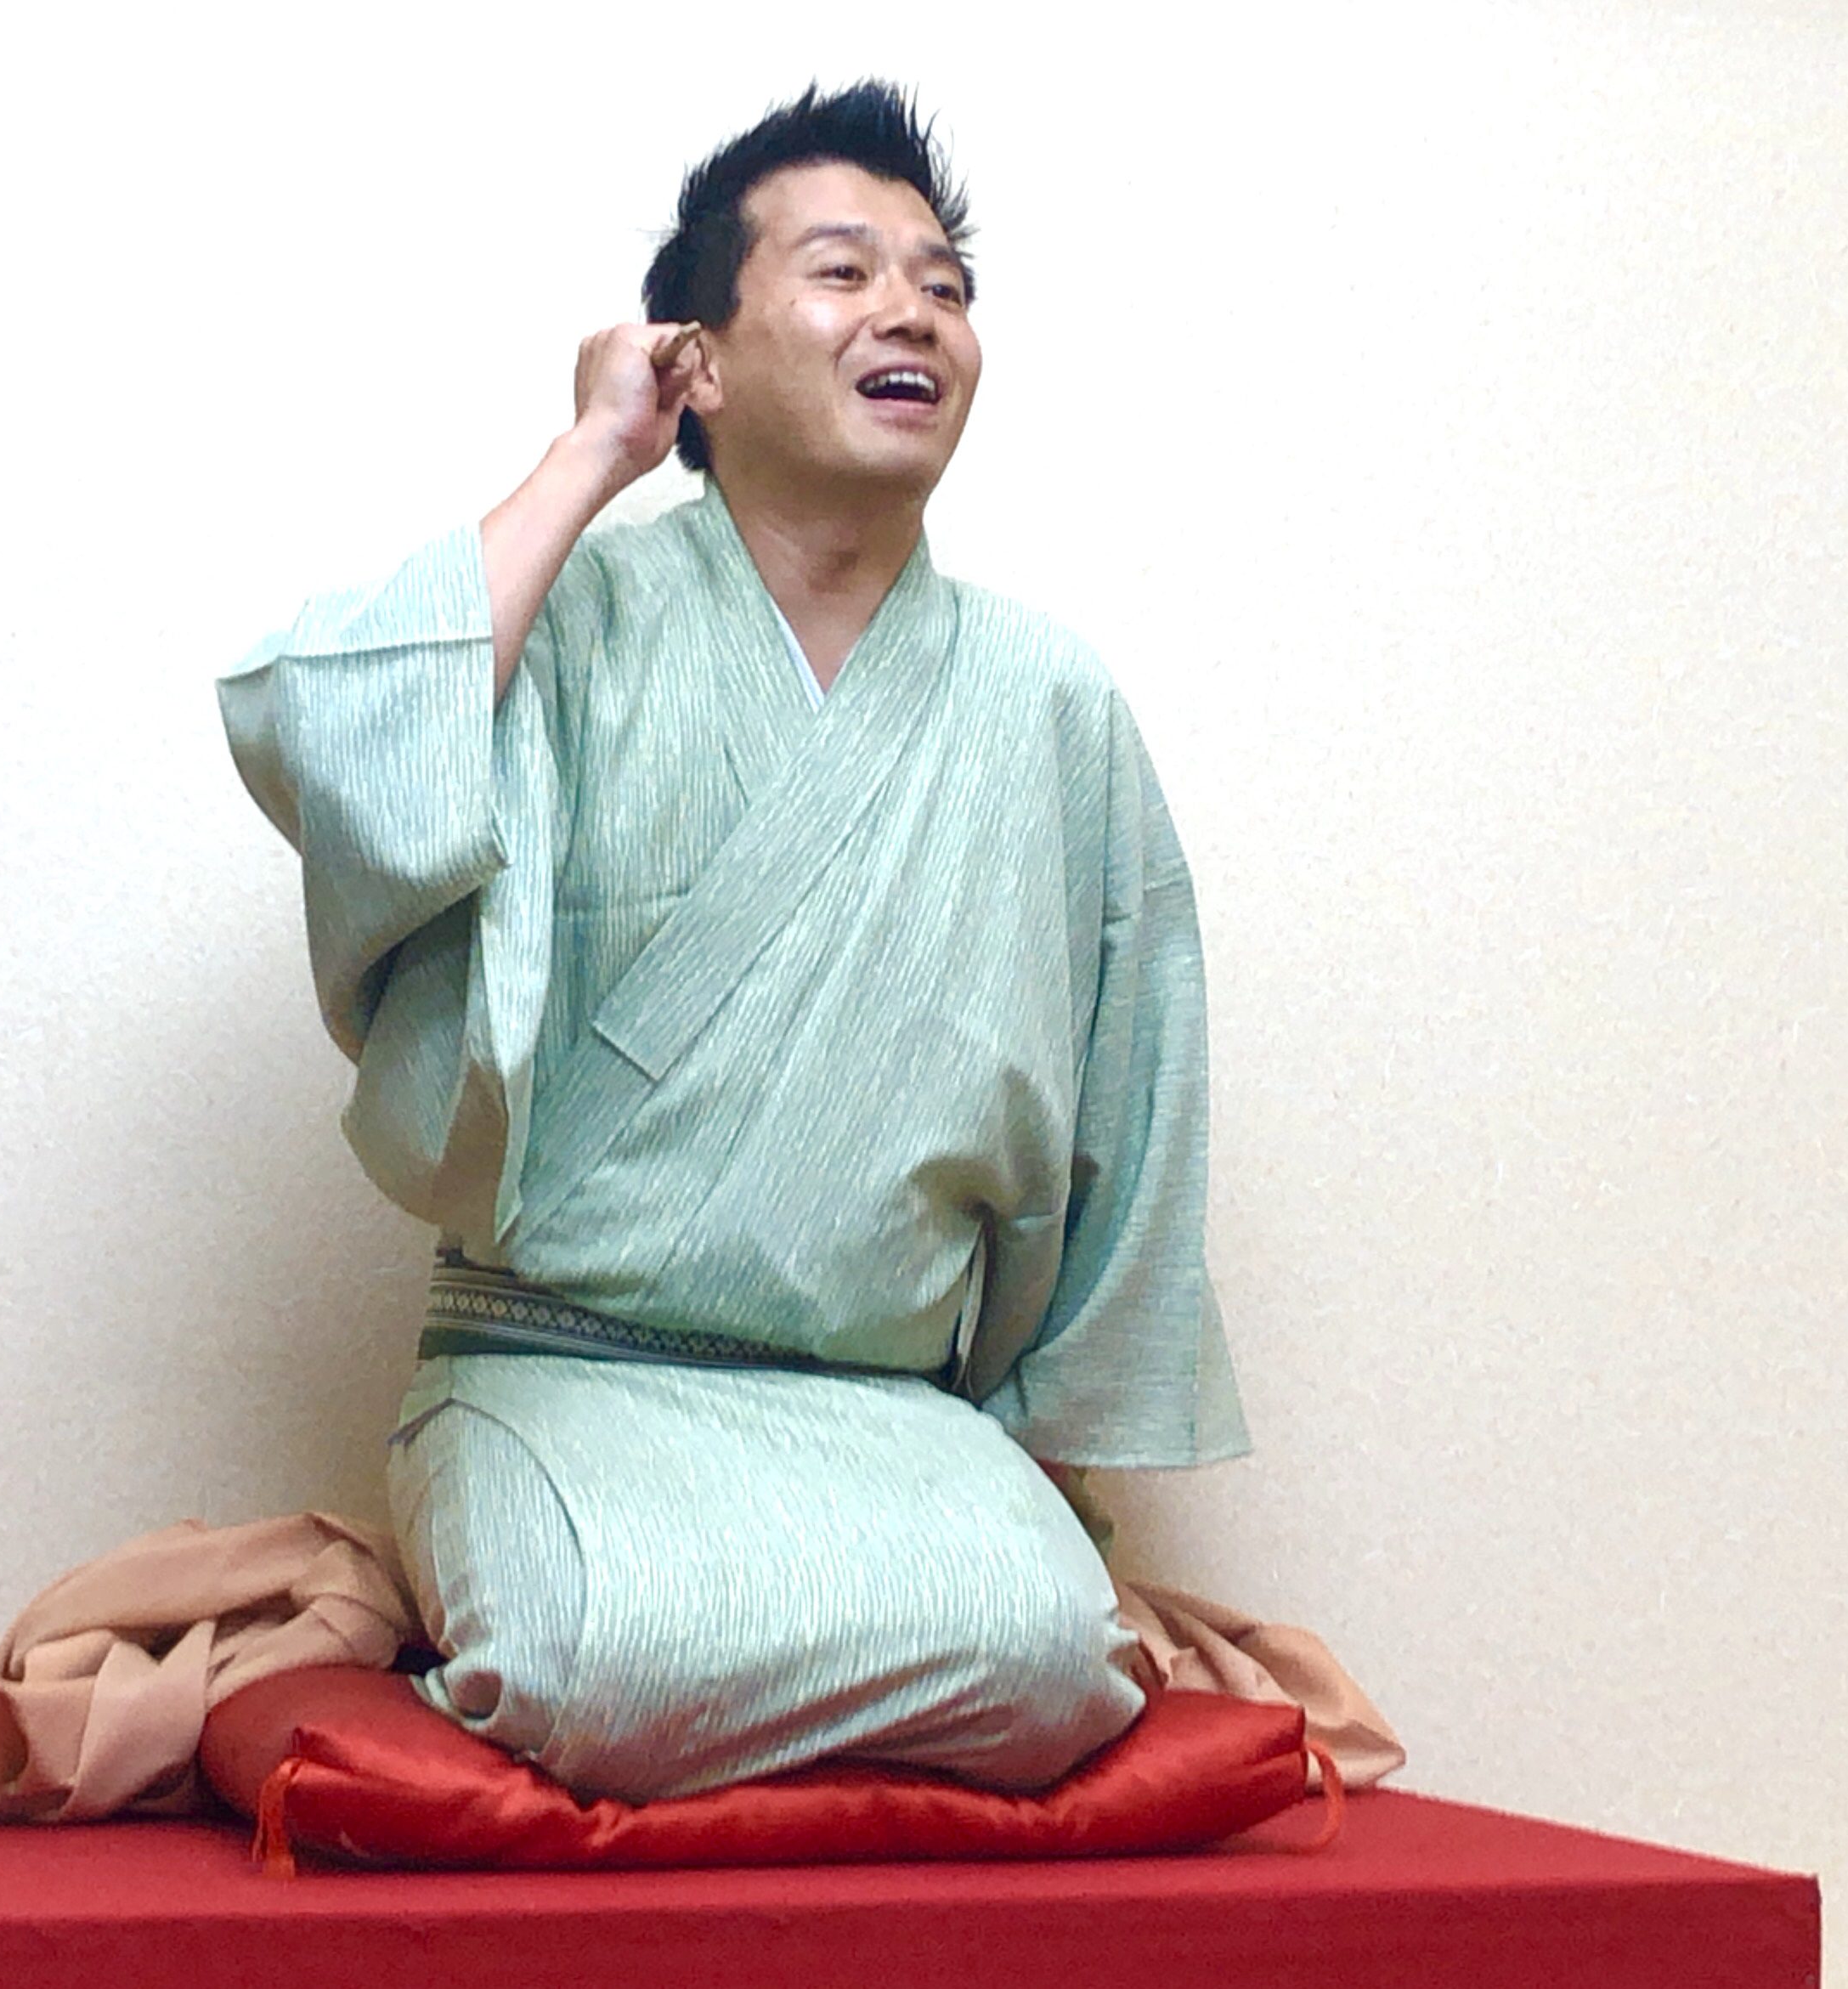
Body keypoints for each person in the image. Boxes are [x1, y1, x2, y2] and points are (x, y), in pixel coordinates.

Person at [218, 81, 1246, 1803]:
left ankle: (970, 1569)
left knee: (1055, 1665)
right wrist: (592, 454)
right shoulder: (570, 624)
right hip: (565, 1377)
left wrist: (1043, 1469)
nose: (913, 312)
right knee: (598, 1663)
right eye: (844, 272)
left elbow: (1135, 1102)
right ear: (696, 356)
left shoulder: (1048, 702)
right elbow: (337, 741)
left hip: (893, 1414)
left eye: (943, 284)